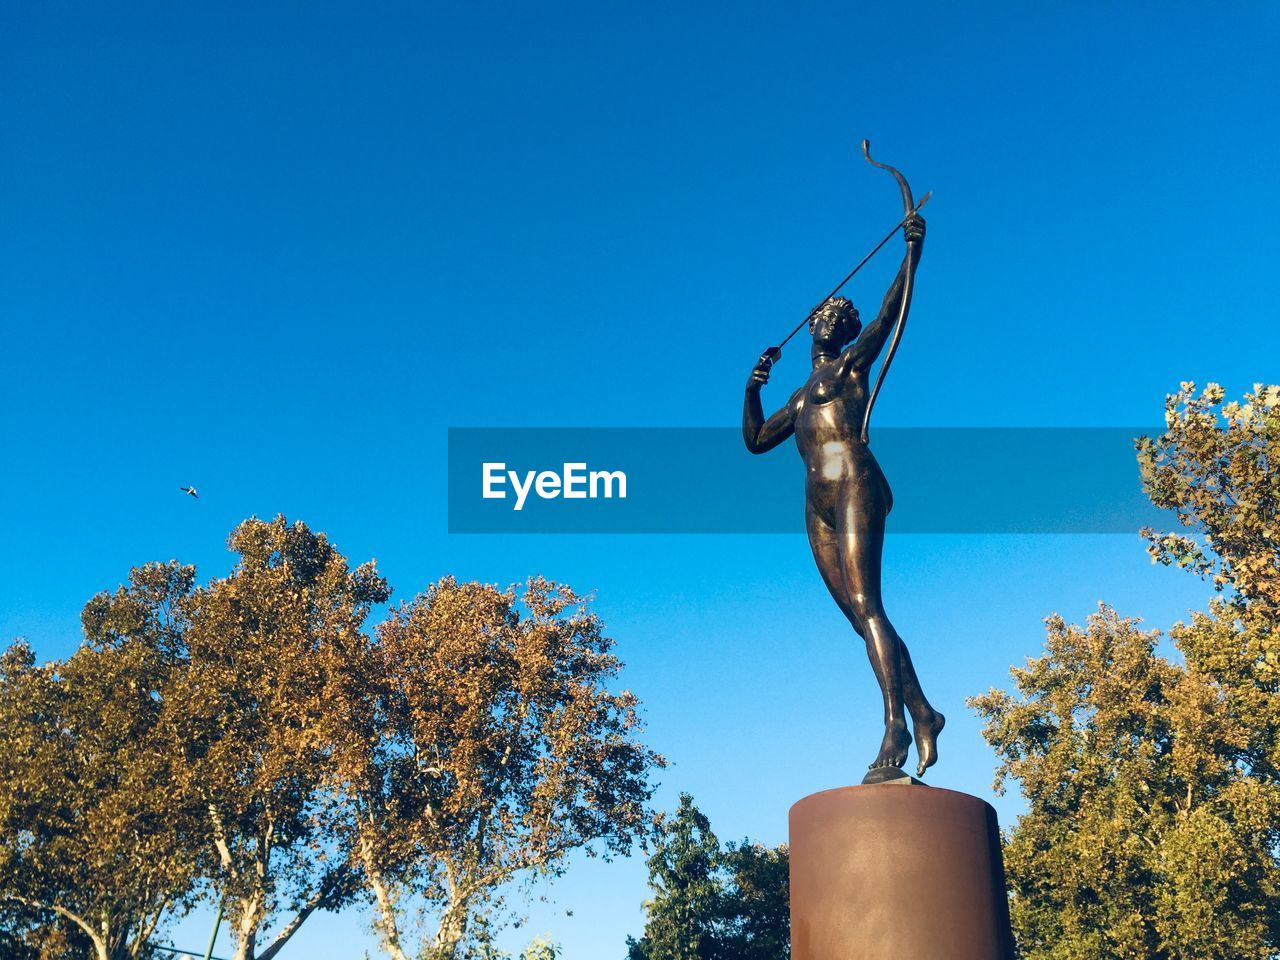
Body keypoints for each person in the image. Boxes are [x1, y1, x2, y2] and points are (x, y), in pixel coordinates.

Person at [742, 212, 943, 779]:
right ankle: (925, 710)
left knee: (871, 605)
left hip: (854, 478)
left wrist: (911, 254)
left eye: (837, 317)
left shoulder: (852, 365)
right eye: (823, 316)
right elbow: (757, 441)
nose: (827, 321)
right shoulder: (801, 395)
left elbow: (888, 314)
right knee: (860, 616)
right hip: (815, 499)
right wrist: (751, 391)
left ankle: (896, 725)